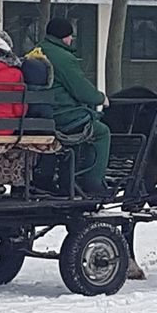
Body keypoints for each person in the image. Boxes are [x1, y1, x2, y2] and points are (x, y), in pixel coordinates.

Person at [39, 16, 110, 197]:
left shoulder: (37, 51)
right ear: (64, 37)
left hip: (40, 116)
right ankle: (92, 181)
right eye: (70, 36)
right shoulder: (63, 58)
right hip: (63, 117)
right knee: (101, 132)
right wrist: (101, 98)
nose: (71, 40)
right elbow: (81, 90)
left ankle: (67, 178)